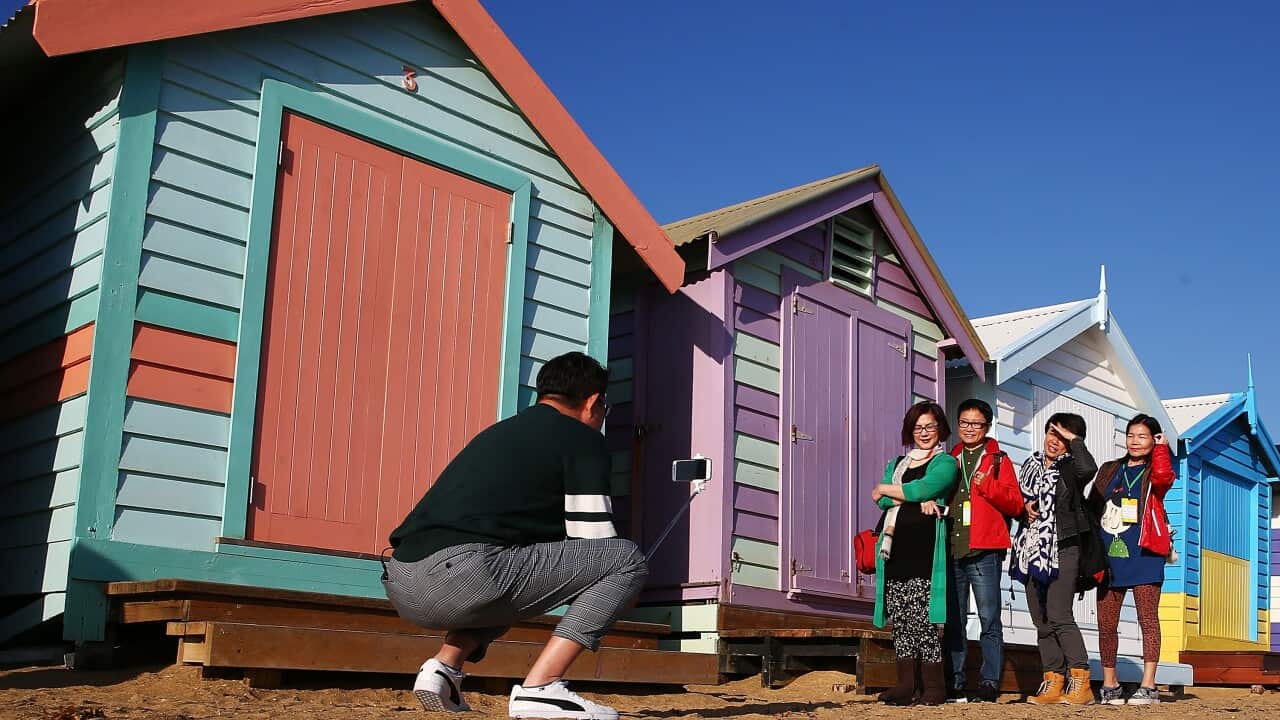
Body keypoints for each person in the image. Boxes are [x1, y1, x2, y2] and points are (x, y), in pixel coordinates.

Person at [382, 352, 646, 720]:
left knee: (515, 564)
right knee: (627, 559)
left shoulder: (502, 432)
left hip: (403, 579)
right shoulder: (582, 439)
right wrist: (623, 590)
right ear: (593, 402)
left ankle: (443, 668)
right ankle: (542, 687)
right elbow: (597, 544)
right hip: (460, 576)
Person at [871, 401, 960, 706]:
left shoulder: (945, 462)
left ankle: (933, 686)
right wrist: (897, 494)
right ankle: (906, 684)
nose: (924, 432)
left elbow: (922, 489)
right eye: (918, 427)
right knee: (902, 619)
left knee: (924, 618)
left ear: (940, 429)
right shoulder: (897, 463)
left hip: (924, 549)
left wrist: (887, 489)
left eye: (930, 427)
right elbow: (881, 502)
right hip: (893, 550)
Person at [1010, 413, 1099, 705]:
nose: (1054, 440)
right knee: (1042, 619)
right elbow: (1017, 501)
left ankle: (1081, 683)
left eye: (1062, 437)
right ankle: (1053, 682)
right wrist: (1024, 506)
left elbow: (1089, 468)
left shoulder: (1072, 468)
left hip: (1063, 548)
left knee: (1060, 614)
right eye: (1052, 433)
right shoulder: (1030, 466)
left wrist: (1075, 441)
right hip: (1031, 550)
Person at [1089, 414, 1176, 706]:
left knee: (1147, 619)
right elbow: (1092, 506)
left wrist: (1163, 449)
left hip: (1145, 554)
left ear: (1153, 440)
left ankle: (1148, 686)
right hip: (1109, 556)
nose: (1135, 441)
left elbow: (1164, 478)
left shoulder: (1156, 470)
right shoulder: (1110, 469)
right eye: (1131, 435)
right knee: (1106, 622)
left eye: (1142, 436)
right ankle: (1110, 684)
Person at [943, 399, 1023, 703]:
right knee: (954, 620)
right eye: (964, 422)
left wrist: (988, 485)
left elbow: (1016, 504)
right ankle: (955, 681)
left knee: (989, 619)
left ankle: (990, 682)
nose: (969, 429)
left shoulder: (999, 459)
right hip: (953, 547)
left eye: (975, 423)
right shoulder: (951, 458)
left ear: (987, 427)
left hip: (985, 549)